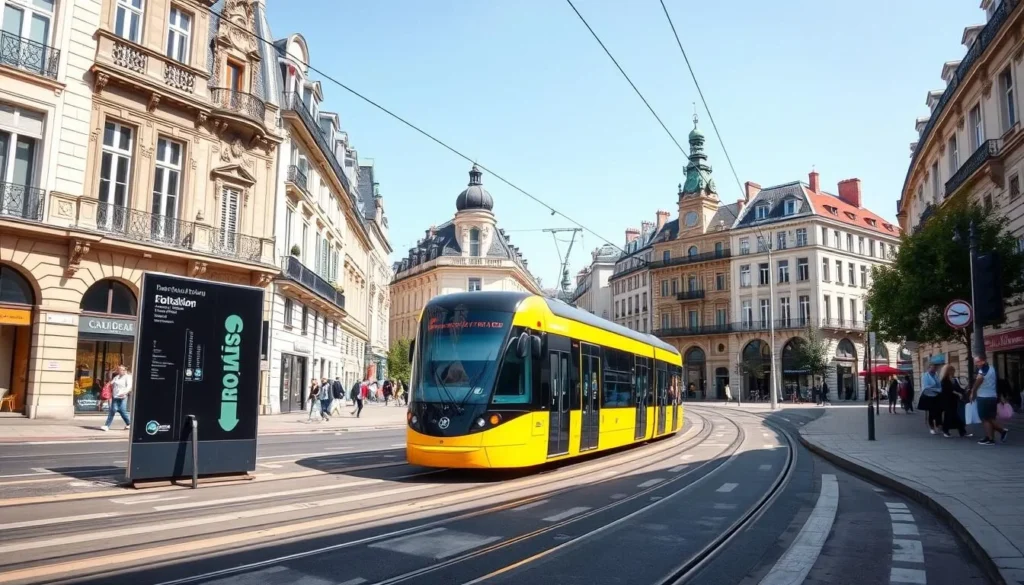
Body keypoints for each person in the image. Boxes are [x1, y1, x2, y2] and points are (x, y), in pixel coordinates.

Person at [971, 354, 1008, 445]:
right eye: (975, 362)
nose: (976, 364)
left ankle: (1000, 432)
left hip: (984, 397)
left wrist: (973, 391)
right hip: (992, 396)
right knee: (990, 417)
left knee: (985, 418)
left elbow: (979, 380)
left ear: (983, 361)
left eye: (978, 362)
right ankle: (989, 437)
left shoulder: (983, 370)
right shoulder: (991, 368)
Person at [940, 364, 970, 438]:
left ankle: (951, 430)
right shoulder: (945, 380)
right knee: (950, 415)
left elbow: (958, 388)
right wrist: (958, 394)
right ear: (948, 371)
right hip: (947, 400)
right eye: (953, 371)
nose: (954, 372)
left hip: (954, 400)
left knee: (953, 416)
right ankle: (960, 431)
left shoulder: (954, 379)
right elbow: (948, 390)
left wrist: (965, 390)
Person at [101, 365, 132, 431]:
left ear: (124, 370)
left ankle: (129, 424)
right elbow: (111, 382)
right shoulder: (117, 377)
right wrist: (107, 384)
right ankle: (107, 426)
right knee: (113, 410)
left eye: (120, 370)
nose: (119, 371)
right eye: (118, 370)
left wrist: (124, 393)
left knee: (122, 411)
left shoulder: (127, 377)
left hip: (122, 397)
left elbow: (129, 387)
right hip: (115, 396)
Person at [920, 364, 941, 434]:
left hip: (937, 395)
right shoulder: (925, 376)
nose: (935, 369)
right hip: (928, 396)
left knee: (938, 411)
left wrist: (939, 389)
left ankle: (938, 425)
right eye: (933, 368)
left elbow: (939, 384)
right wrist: (936, 388)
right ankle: (931, 427)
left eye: (935, 368)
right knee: (931, 412)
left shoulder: (936, 375)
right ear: (929, 368)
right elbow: (926, 387)